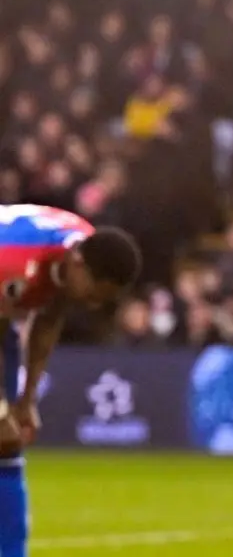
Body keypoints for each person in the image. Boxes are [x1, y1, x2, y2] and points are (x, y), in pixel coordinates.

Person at [0, 204, 142, 557]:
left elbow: (49, 318)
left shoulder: (83, 250)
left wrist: (26, 401)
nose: (93, 305)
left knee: (6, 445)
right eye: (95, 294)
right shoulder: (15, 263)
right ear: (78, 265)